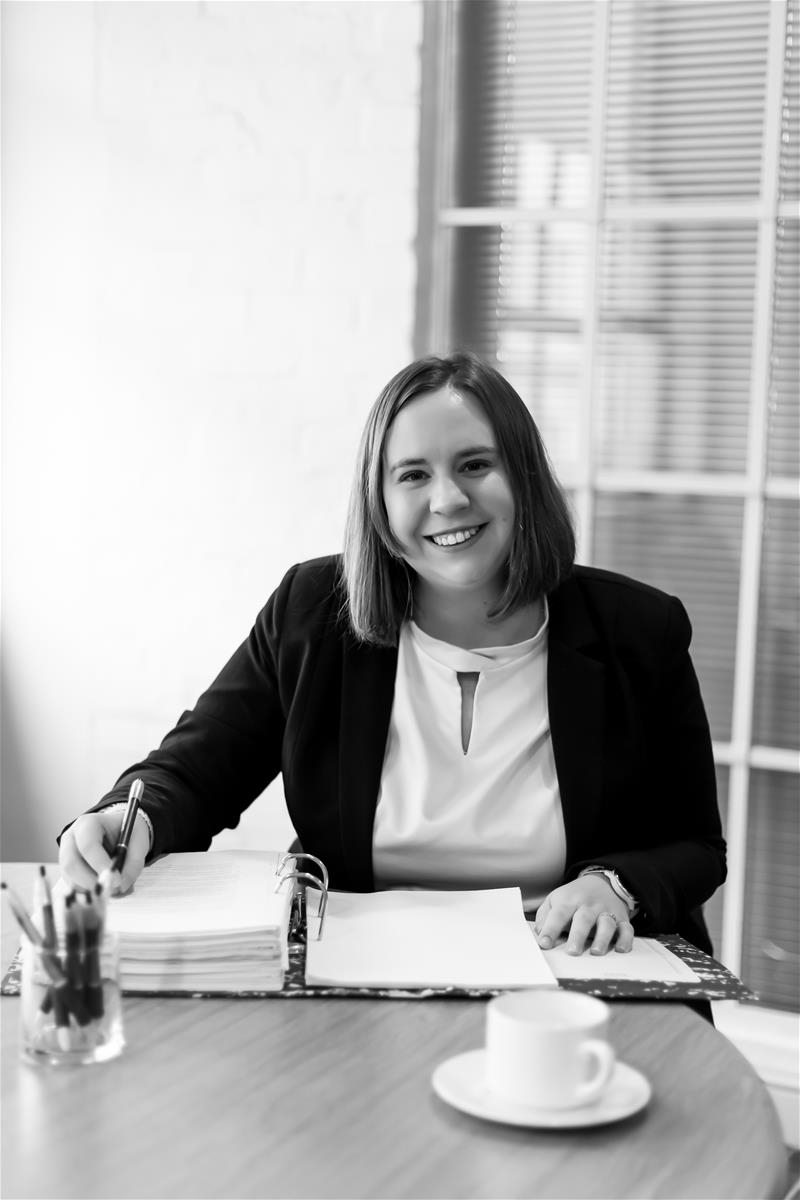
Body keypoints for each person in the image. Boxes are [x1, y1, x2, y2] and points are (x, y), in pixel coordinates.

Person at [59, 351, 725, 959]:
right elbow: (196, 772)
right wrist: (128, 818)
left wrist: (615, 885)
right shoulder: (311, 611)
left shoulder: (640, 629)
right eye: (413, 475)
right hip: (362, 971)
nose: (449, 499)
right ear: (378, 500)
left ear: (523, 476)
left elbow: (696, 844)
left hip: (573, 969)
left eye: (475, 465)